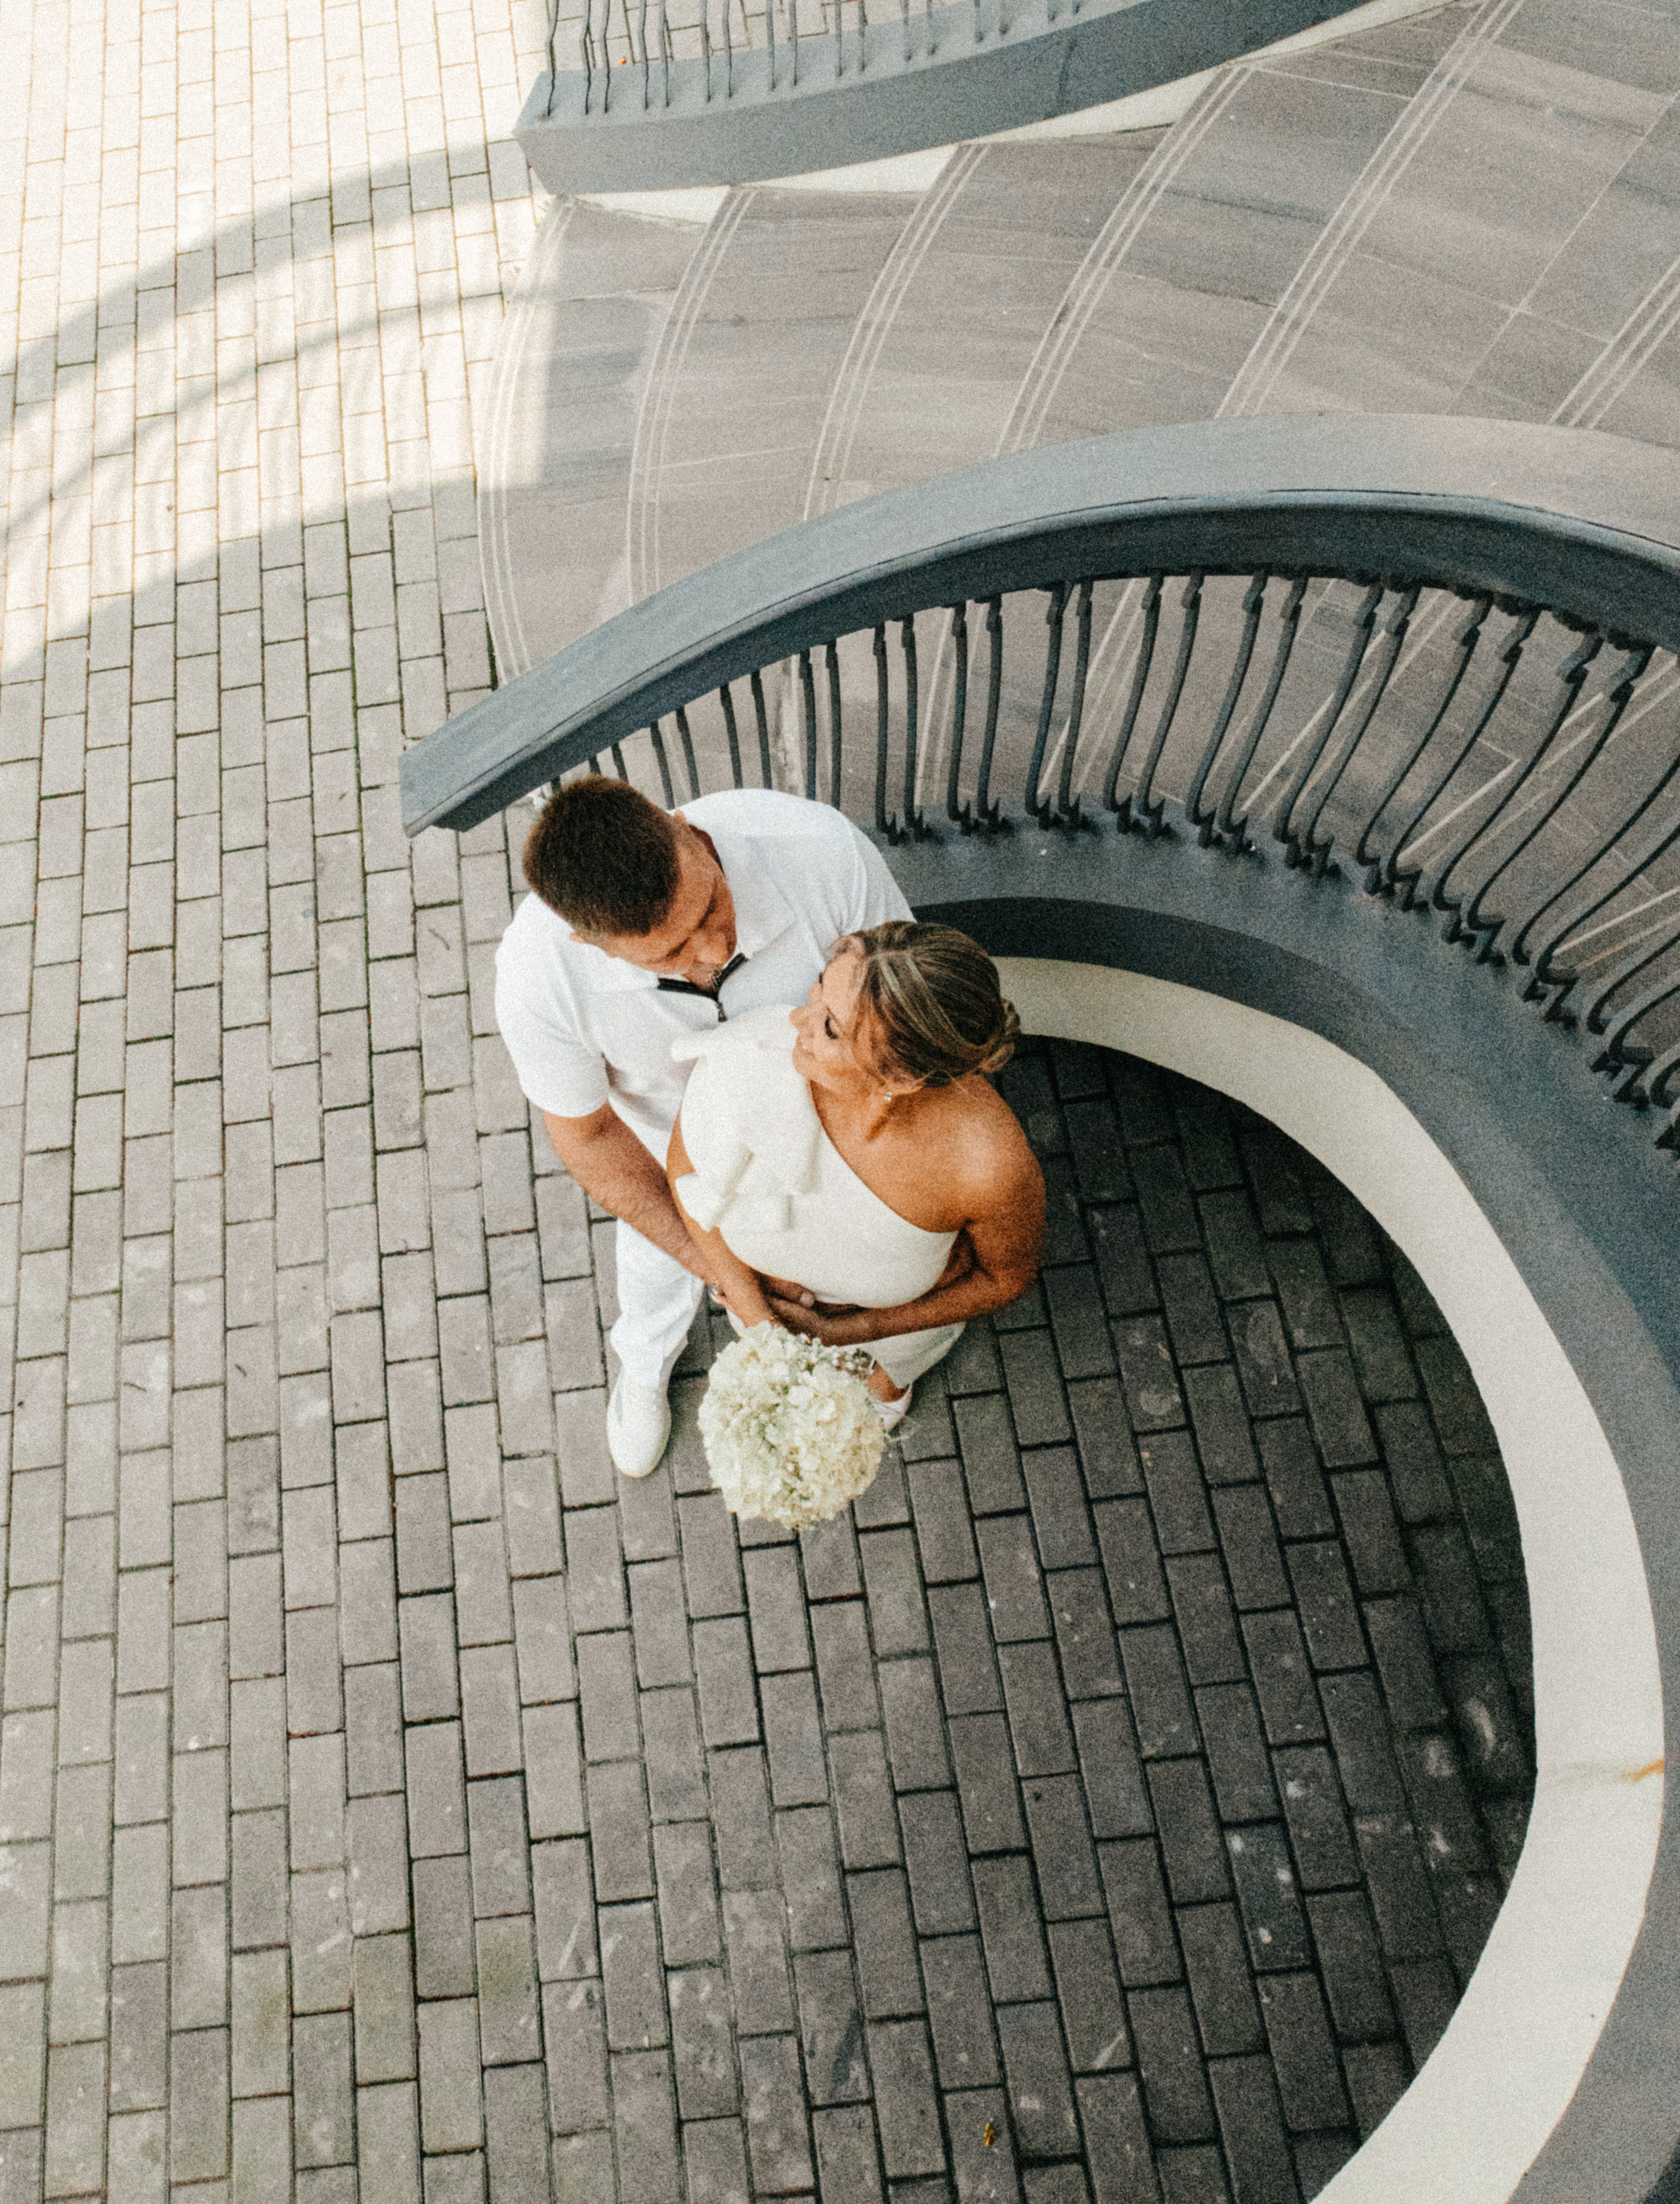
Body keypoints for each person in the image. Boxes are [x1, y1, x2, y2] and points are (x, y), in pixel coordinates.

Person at [494, 775, 912, 1476]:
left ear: (681, 825)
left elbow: (900, 1001)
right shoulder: (537, 977)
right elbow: (590, 1136)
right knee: (654, 1274)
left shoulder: (820, 850)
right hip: (676, 1167)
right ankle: (645, 1364)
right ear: (587, 942)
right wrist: (718, 1264)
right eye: (670, 952)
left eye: (711, 905)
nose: (715, 950)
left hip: (832, 1138)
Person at [665, 923, 1045, 1425]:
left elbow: (1003, 1278)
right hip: (761, 1303)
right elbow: (684, 1179)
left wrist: (856, 1330)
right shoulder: (748, 1055)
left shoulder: (988, 1165)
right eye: (819, 987)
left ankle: (895, 1376)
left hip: (898, 1325)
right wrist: (761, 1324)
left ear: (901, 1078)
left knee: (902, 1355)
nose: (796, 1018)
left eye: (830, 1028)